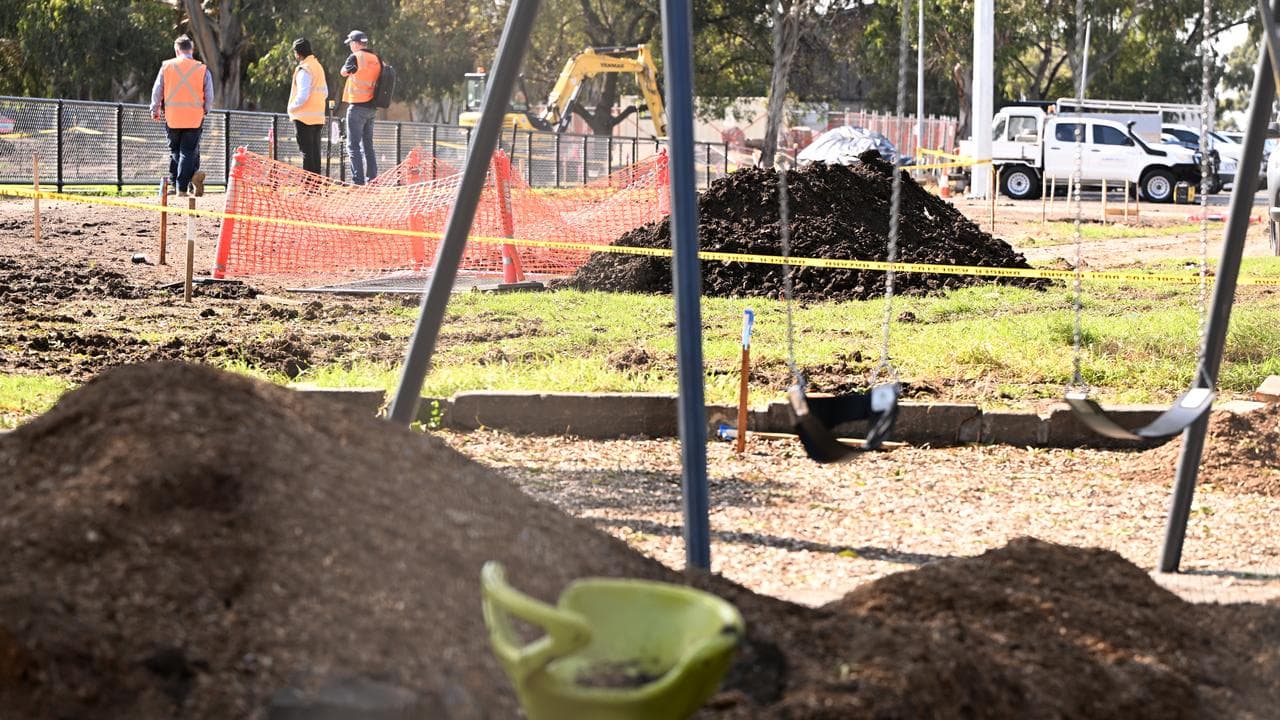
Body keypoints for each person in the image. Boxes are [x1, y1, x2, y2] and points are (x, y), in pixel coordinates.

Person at [150, 35, 214, 197]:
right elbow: (209, 93)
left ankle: (180, 186)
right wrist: (206, 110)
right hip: (194, 117)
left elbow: (157, 89)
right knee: (188, 151)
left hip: (172, 116)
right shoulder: (202, 68)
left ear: (177, 50)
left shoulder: (167, 66)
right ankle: (184, 185)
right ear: (191, 50)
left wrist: (155, 109)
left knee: (175, 151)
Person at [339, 29, 382, 185]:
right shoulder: (377, 59)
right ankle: (373, 179)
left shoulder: (355, 57)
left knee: (353, 146)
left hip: (357, 107)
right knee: (368, 146)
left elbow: (343, 72)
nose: (350, 46)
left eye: (351, 43)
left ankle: (358, 181)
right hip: (371, 108)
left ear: (356, 44)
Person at [287, 38, 328, 175]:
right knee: (315, 154)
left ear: (298, 53)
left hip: (303, 118)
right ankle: (315, 188)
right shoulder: (318, 66)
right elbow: (325, 92)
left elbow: (303, 95)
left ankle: (308, 188)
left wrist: (291, 108)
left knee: (307, 154)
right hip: (318, 118)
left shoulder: (304, 69)